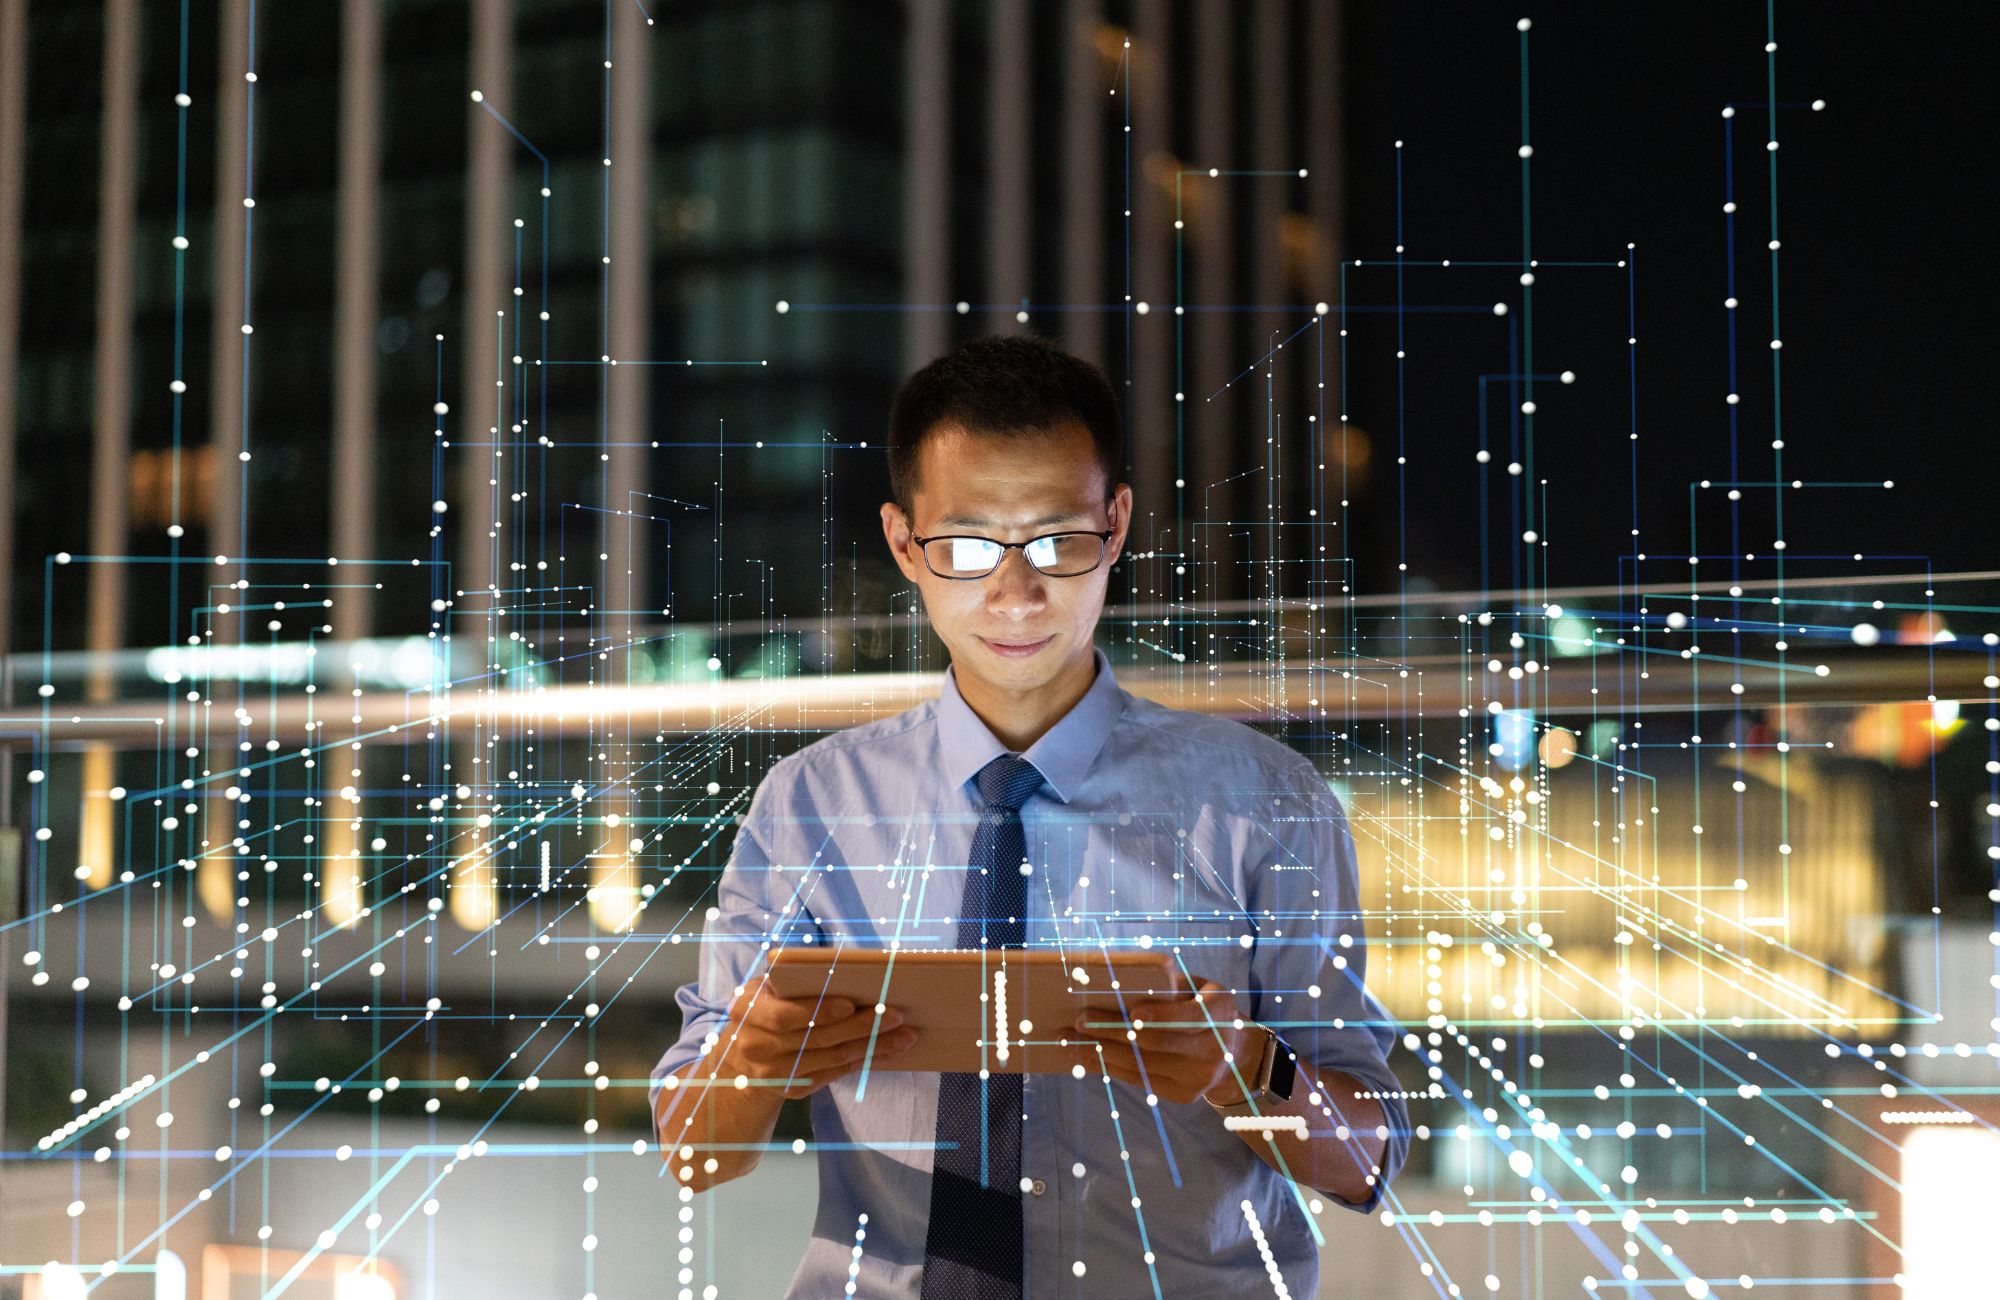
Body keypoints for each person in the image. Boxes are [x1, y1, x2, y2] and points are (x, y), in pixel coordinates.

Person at [651, 335, 1407, 1298]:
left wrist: (1248, 1068)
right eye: (966, 547)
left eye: (1059, 540)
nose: (1016, 591)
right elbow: (694, 1155)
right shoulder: (810, 805)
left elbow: (1368, 1163)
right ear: (902, 545)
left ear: (1118, 525)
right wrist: (751, 1066)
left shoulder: (1266, 803)